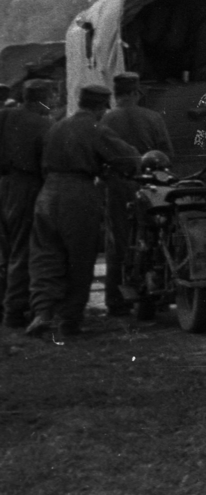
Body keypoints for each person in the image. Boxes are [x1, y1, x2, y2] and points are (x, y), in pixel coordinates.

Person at [26, 84, 141, 339]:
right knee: (80, 259)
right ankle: (69, 321)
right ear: (101, 107)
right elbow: (128, 159)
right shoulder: (95, 128)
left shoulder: (56, 126)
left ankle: (42, 312)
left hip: (47, 193)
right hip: (78, 194)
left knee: (46, 256)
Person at [99, 72, 175, 316]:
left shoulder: (105, 120)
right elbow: (167, 154)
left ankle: (116, 300)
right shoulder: (152, 117)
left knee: (118, 241)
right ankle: (156, 295)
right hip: (150, 186)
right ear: (134, 93)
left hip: (118, 185)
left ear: (116, 94)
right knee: (155, 238)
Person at [0, 79, 53, 330]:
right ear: (41, 99)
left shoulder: (5, 116)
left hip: (4, 184)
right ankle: (13, 311)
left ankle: (7, 304)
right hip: (27, 187)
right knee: (23, 250)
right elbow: (46, 164)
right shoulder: (44, 125)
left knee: (7, 249)